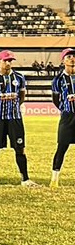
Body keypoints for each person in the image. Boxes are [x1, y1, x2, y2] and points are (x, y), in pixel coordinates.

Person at [0, 50, 37, 186]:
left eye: (10, 61)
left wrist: (15, 106)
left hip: (15, 118)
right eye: (5, 61)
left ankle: (25, 179)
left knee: (19, 148)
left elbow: (22, 96)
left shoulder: (19, 77)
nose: (8, 63)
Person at [50, 48, 75, 187]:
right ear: (63, 60)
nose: (72, 59)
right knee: (62, 147)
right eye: (69, 56)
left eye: (74, 56)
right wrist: (65, 109)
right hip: (68, 117)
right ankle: (54, 178)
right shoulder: (58, 79)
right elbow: (55, 99)